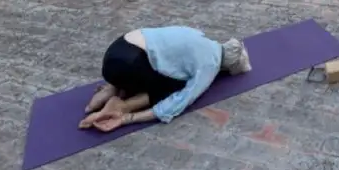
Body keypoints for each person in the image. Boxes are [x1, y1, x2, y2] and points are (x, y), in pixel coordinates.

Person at [79, 27, 252, 132]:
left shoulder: (198, 34)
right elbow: (179, 102)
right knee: (177, 85)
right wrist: (128, 118)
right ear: (226, 67)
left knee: (165, 64)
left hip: (116, 50)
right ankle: (120, 104)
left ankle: (112, 87)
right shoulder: (209, 67)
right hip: (127, 66)